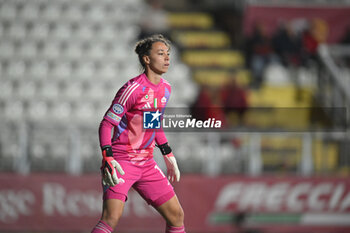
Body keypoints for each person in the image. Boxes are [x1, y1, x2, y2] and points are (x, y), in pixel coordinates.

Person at [91, 34, 185, 233]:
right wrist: (107, 156)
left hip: (147, 163)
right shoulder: (132, 88)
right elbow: (107, 124)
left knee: (176, 216)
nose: (167, 58)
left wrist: (168, 153)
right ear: (147, 59)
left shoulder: (165, 89)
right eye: (161, 53)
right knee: (110, 219)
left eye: (168, 54)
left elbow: (153, 124)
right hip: (122, 161)